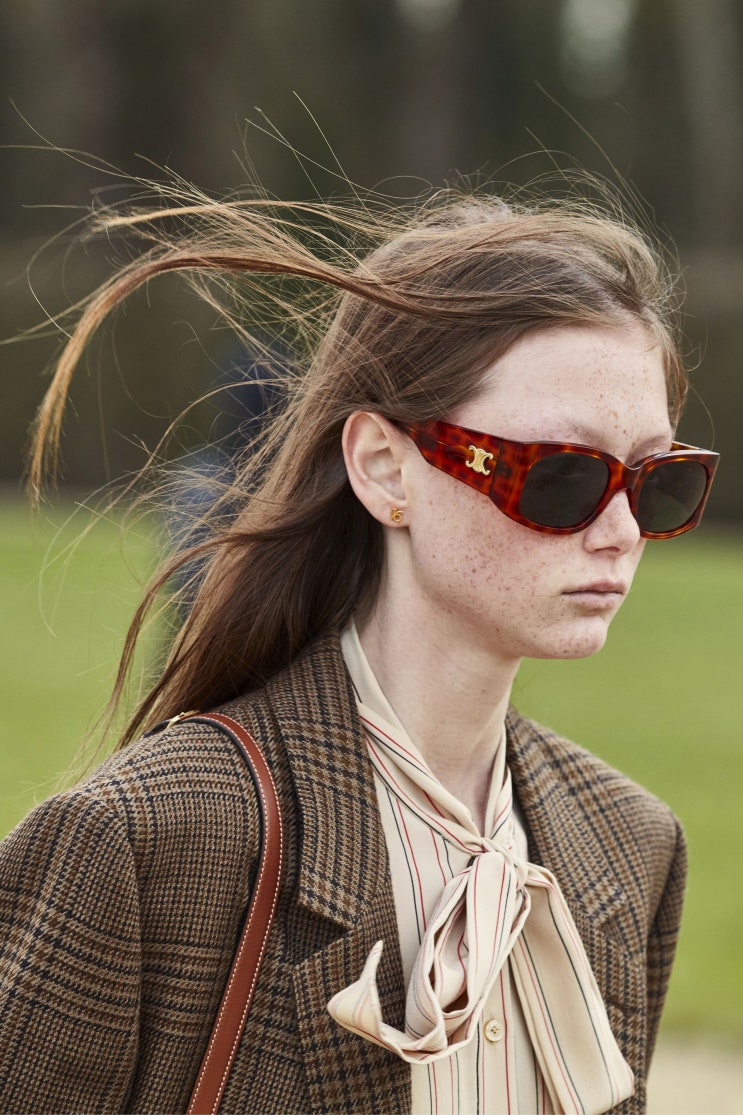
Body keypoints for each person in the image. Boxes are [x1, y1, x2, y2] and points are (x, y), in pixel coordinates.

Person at [0, 187, 719, 1115]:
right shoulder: (146, 840)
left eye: (657, 480)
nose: (620, 530)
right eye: (562, 474)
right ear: (384, 467)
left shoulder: (629, 846)